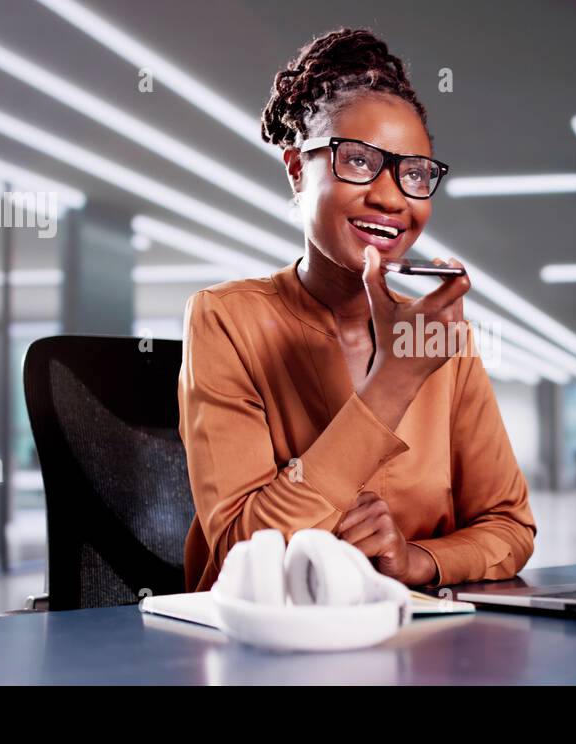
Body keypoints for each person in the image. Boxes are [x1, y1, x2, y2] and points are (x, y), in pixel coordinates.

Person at [179, 27, 536, 592]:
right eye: (359, 161)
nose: (391, 197)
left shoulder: (443, 337)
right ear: (297, 169)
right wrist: (393, 382)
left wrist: (416, 559)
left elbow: (509, 526)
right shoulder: (225, 320)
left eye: (414, 173)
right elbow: (235, 559)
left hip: (417, 651)